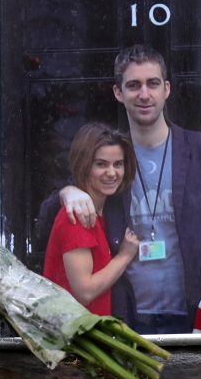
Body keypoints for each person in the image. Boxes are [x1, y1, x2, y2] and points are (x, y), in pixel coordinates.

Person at [42, 44, 201, 333]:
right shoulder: (110, 155)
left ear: (167, 89)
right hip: (126, 315)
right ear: (118, 92)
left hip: (195, 307)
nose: (144, 94)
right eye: (133, 85)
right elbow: (47, 217)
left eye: (152, 83)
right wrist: (68, 192)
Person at [42, 122, 140, 315]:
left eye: (118, 164)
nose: (112, 173)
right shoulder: (76, 215)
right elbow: (85, 292)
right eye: (101, 164)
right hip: (74, 339)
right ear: (84, 164)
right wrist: (125, 256)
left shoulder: (105, 210)